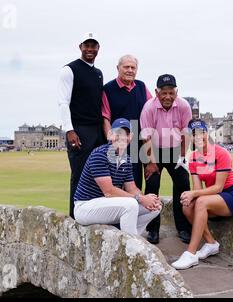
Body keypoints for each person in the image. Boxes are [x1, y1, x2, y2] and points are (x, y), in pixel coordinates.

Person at [171, 119, 233, 270]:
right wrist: (191, 195)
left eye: (202, 133)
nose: (199, 137)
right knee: (187, 207)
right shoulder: (192, 157)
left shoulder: (220, 152)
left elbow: (218, 187)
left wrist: (194, 194)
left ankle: (191, 254)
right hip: (213, 197)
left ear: (207, 133)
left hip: (232, 195)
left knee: (200, 202)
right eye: (194, 134)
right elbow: (197, 188)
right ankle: (211, 243)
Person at [73, 118, 161, 236]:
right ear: (110, 134)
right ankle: (131, 246)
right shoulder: (100, 154)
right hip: (85, 207)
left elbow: (132, 188)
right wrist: (140, 199)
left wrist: (146, 199)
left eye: (126, 134)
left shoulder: (127, 159)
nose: (122, 137)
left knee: (155, 207)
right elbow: (109, 192)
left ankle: (129, 238)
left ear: (131, 137)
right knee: (131, 204)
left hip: (106, 205)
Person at [58, 33, 106, 219]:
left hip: (97, 131)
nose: (90, 49)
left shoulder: (98, 73)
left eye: (94, 46)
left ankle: (96, 215)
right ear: (80, 46)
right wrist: (69, 130)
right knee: (78, 175)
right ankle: (75, 218)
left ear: (98, 49)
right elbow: (63, 102)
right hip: (78, 130)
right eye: (87, 45)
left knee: (100, 174)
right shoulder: (69, 70)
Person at [140, 74, 192, 244]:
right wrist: (151, 163)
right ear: (157, 92)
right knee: (152, 186)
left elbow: (186, 134)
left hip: (175, 151)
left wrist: (183, 158)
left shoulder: (184, 105)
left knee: (183, 185)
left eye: (171, 92)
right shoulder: (148, 108)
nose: (168, 96)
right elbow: (146, 138)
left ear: (176, 91)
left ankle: (183, 227)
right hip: (153, 151)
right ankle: (152, 230)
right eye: (164, 93)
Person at [101, 55, 152, 190]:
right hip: (118, 139)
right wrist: (111, 141)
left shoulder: (141, 86)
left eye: (133, 67)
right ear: (118, 68)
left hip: (138, 140)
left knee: (135, 181)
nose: (130, 70)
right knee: (116, 183)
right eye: (126, 67)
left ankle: (137, 209)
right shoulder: (108, 89)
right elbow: (105, 117)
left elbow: (151, 109)